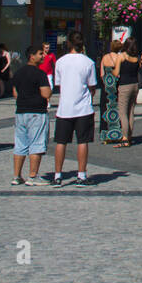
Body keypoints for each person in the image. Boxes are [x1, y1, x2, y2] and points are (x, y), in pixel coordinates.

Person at [52, 31, 98, 187]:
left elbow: (58, 84)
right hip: (83, 108)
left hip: (64, 107)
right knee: (82, 141)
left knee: (60, 142)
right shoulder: (88, 62)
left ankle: (57, 175)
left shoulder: (60, 62)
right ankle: (81, 175)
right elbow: (92, 85)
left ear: (69, 44)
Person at [11, 45, 52, 186]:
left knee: (20, 144)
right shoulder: (40, 74)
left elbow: (15, 93)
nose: (43, 56)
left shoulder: (18, 73)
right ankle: (33, 176)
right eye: (40, 54)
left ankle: (16, 176)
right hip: (37, 112)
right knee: (37, 144)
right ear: (31, 56)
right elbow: (46, 94)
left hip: (21, 112)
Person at [97, 39, 126, 146]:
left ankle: (105, 135)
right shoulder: (120, 58)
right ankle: (118, 134)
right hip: (117, 86)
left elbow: (101, 74)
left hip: (107, 87)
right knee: (118, 109)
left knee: (105, 109)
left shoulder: (105, 57)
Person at [115, 38, 141, 146]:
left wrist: (111, 70)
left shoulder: (121, 56)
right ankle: (129, 135)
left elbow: (116, 73)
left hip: (124, 85)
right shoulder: (137, 58)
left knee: (123, 112)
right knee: (131, 111)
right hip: (135, 85)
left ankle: (125, 137)